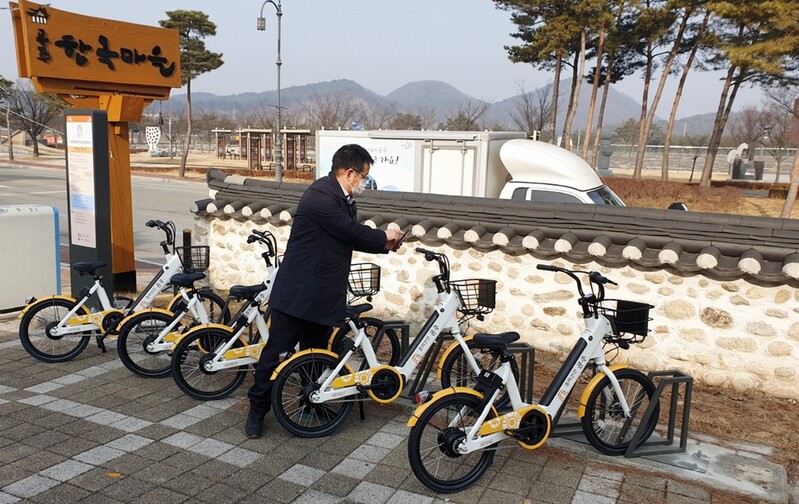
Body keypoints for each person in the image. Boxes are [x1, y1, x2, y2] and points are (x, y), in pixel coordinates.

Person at [244, 143, 403, 438]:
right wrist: (384, 237)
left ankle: (309, 403)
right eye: (364, 177)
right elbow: (349, 230)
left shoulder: (344, 199)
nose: (365, 183)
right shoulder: (320, 195)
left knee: (315, 354)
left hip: (321, 294)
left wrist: (386, 245)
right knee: (274, 354)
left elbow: (347, 238)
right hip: (297, 294)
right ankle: (257, 409)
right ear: (351, 172)